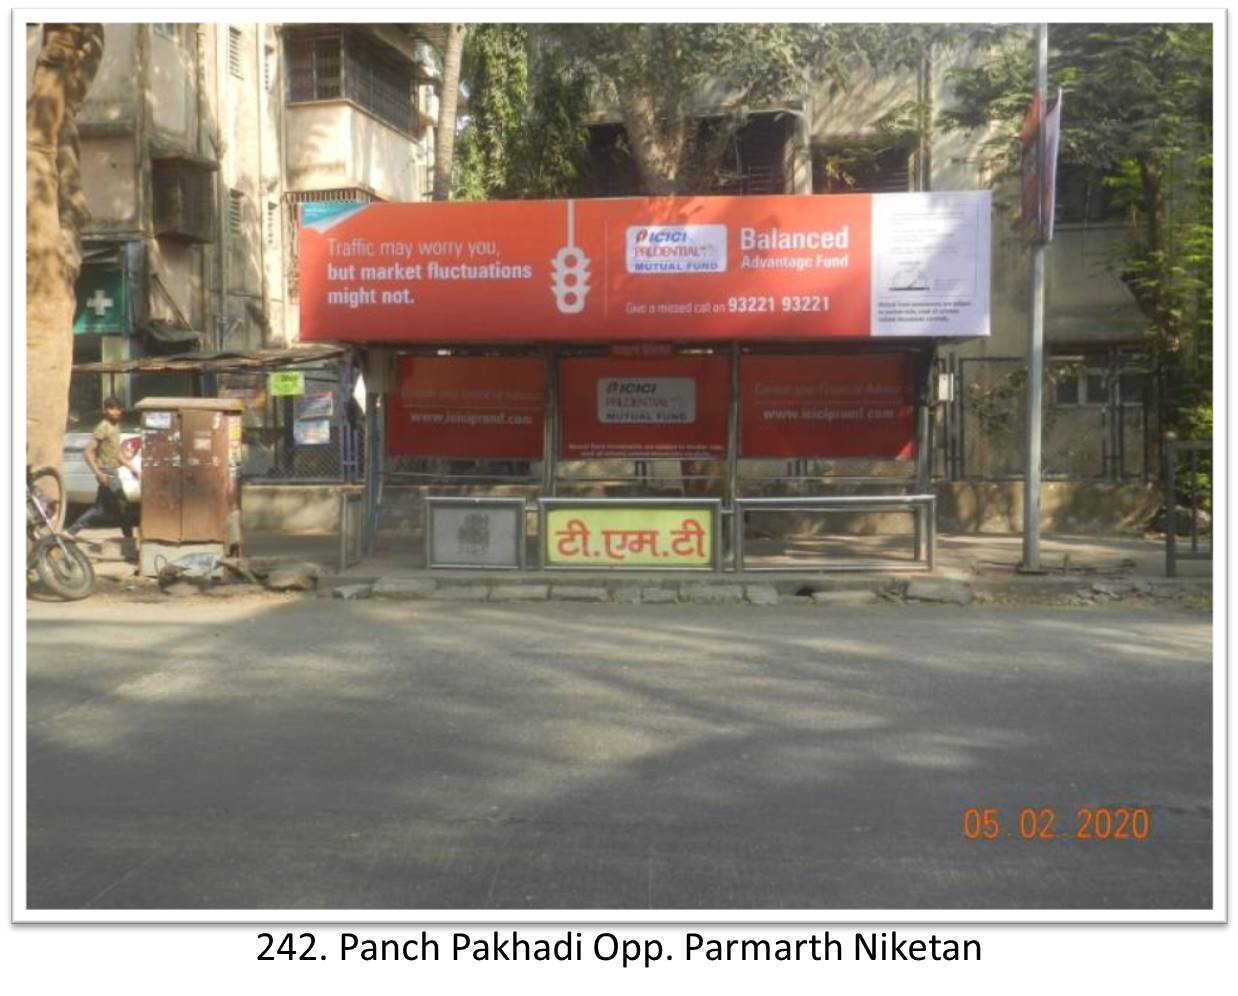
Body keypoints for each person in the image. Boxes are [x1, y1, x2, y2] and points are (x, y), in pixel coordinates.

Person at [66, 397, 140, 542]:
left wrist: (131, 467)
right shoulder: (103, 427)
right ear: (105, 410)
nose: (116, 412)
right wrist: (98, 473)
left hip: (112, 470)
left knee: (107, 507)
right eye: (112, 408)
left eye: (118, 408)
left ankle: (71, 531)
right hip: (107, 471)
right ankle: (129, 539)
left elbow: (116, 452)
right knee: (120, 505)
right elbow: (87, 452)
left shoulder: (115, 427)